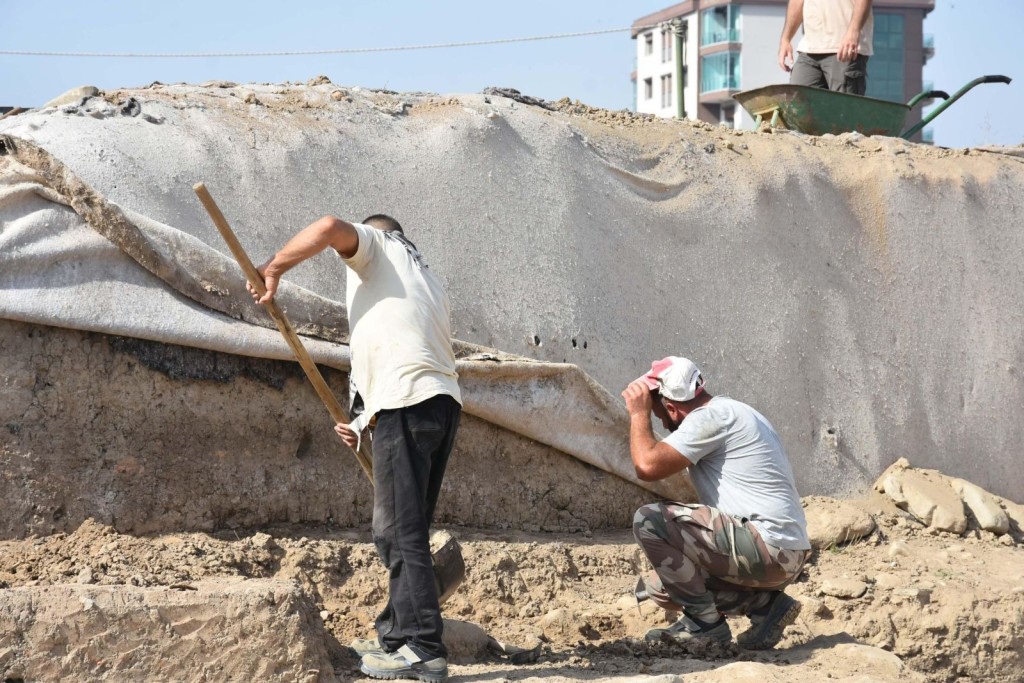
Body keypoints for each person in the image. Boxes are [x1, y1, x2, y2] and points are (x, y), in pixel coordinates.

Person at [249, 214, 461, 682]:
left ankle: (425, 648)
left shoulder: (380, 245)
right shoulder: (424, 279)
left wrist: (275, 268)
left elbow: (327, 226)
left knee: (402, 532)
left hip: (407, 405)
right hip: (435, 406)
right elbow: (404, 346)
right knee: (401, 529)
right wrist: (364, 420)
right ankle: (397, 637)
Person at [621, 357, 811, 650]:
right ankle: (764, 606)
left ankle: (706, 626)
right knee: (663, 587)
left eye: (660, 415)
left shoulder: (709, 418)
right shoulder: (735, 410)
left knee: (649, 520)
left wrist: (638, 414)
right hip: (784, 552)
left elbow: (646, 466)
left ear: (671, 407)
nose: (661, 422)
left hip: (768, 547)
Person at [778, 0, 874, 95]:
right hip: (809, 49)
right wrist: (786, 38)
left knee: (844, 108)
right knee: (798, 102)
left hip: (843, 48)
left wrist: (853, 32)